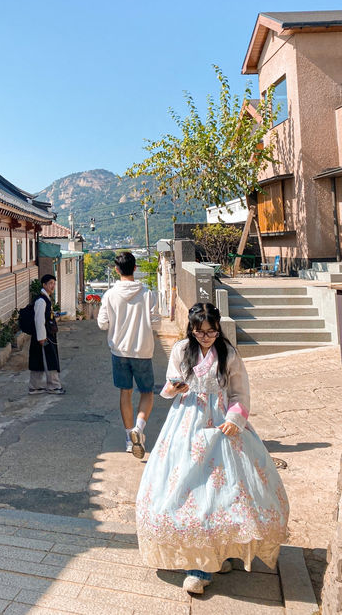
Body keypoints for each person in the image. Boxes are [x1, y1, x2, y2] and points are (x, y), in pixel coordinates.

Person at [136, 302, 289, 595]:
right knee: (190, 488)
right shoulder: (182, 350)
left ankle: (219, 553)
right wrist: (175, 387)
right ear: (191, 330)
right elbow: (167, 388)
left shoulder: (228, 354)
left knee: (227, 490)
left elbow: (239, 391)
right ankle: (200, 564)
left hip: (221, 425)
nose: (206, 337)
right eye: (200, 332)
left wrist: (235, 418)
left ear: (218, 329)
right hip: (186, 422)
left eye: (211, 332)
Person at [97, 251, 159, 457]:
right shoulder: (147, 293)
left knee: (125, 392)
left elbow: (102, 323)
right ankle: (138, 429)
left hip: (119, 350)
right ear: (135, 268)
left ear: (116, 270)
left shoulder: (109, 295)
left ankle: (127, 437)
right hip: (142, 350)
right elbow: (156, 322)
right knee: (147, 392)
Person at [28, 274, 64, 395]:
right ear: (44, 285)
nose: (53, 286)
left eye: (54, 283)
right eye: (50, 283)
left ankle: (35, 386)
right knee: (50, 360)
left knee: (38, 360)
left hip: (45, 335)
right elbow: (39, 320)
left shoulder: (45, 298)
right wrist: (42, 338)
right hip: (44, 336)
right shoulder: (41, 301)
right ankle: (53, 386)